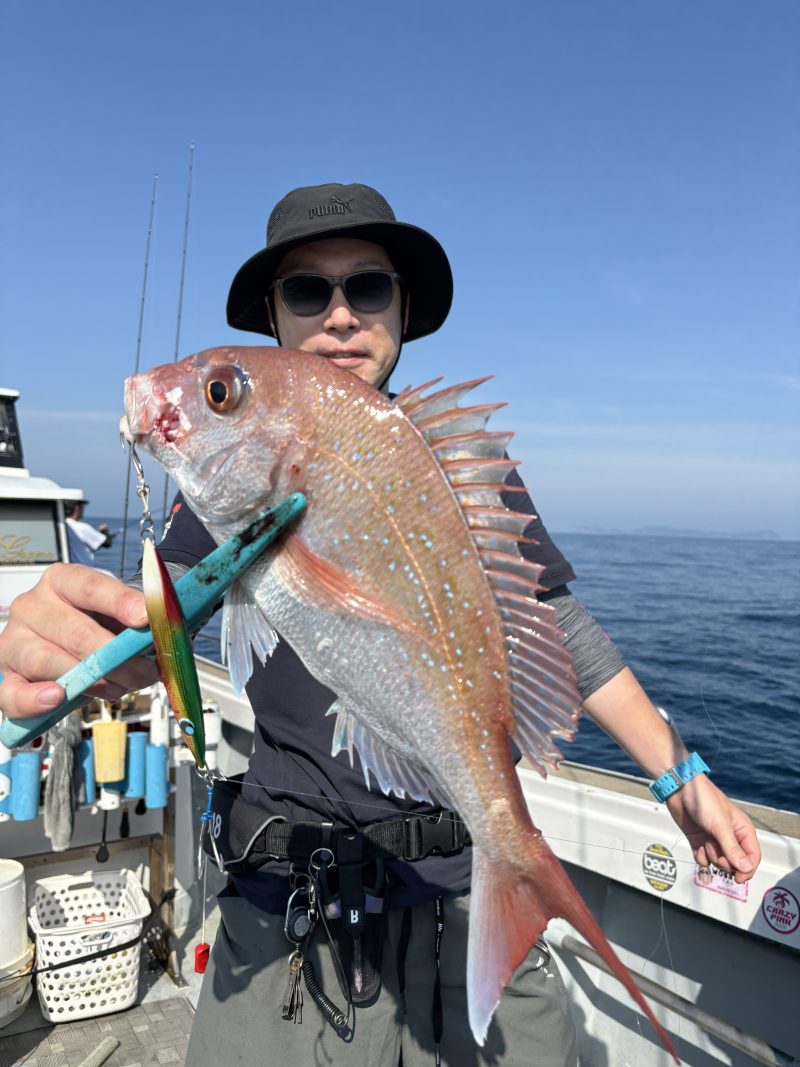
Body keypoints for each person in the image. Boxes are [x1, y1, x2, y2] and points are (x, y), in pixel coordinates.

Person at [0, 183, 761, 1066]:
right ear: (274, 319)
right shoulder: (229, 478)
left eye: (367, 286)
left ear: (401, 309)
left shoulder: (465, 463)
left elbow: (553, 621)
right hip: (294, 897)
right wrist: (78, 642)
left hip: (460, 880)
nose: (339, 314)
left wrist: (680, 777)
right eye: (305, 290)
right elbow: (156, 618)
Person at [64, 499, 115, 566]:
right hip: (83, 569)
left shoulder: (63, 525)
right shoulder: (82, 527)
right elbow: (107, 543)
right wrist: (104, 531)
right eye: (83, 507)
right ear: (77, 508)